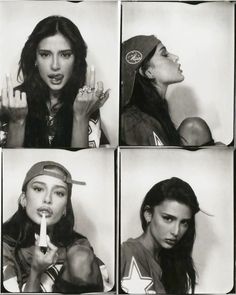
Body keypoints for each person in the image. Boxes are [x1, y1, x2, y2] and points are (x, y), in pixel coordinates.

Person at [0, 15, 110, 148]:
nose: (55, 65)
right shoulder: (9, 104)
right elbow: (9, 167)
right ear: (34, 59)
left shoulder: (86, 102)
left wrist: (81, 116)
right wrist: (17, 121)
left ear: (76, 60)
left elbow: (83, 165)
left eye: (65, 55)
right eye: (45, 54)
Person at [3, 161, 110, 293]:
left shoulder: (78, 245)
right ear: (24, 199)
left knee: (80, 256)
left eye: (59, 193)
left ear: (65, 208)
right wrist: (36, 271)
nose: (47, 199)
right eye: (38, 189)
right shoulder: (5, 247)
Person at [121, 177, 200, 294]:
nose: (176, 231)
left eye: (184, 222)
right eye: (168, 218)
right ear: (148, 214)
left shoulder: (170, 261)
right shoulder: (128, 253)